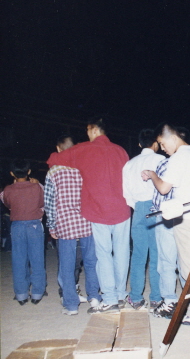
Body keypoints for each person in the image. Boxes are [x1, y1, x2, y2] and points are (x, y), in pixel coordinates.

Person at [47, 116, 131, 314]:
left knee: (103, 255)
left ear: (93, 129)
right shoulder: (121, 151)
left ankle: (109, 299)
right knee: (121, 253)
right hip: (122, 209)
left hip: (99, 211)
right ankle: (120, 294)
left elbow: (53, 159)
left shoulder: (84, 149)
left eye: (87, 131)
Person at [142, 123, 190, 326]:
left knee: (189, 266)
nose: (163, 149)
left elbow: (163, 189)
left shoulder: (178, 157)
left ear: (172, 138)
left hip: (187, 218)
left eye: (163, 144)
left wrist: (153, 174)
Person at [44, 135, 101, 315]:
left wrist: (51, 226)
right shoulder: (84, 168)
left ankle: (71, 305)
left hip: (65, 223)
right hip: (87, 221)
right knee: (91, 262)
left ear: (58, 149)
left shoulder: (53, 172)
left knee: (67, 265)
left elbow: (49, 202)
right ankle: (94, 298)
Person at [123, 129, 166, 310]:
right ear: (155, 143)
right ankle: (156, 297)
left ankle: (136, 297)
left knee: (139, 255)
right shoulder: (162, 161)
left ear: (139, 144)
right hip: (157, 209)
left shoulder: (130, 164)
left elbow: (127, 194)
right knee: (157, 255)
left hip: (139, 208)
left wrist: (139, 207)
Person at [0, 160, 47, 305]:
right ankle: (37, 293)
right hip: (34, 225)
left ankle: (21, 294)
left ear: (12, 173)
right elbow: (42, 201)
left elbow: (6, 202)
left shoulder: (7, 190)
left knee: (19, 260)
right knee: (37, 259)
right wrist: (37, 183)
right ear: (28, 172)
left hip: (17, 226)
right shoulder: (37, 187)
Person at [148, 157, 185, 318]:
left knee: (166, 261)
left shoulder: (166, 163)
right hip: (187, 215)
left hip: (167, 214)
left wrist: (152, 175)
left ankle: (170, 301)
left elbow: (161, 192)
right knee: (186, 260)